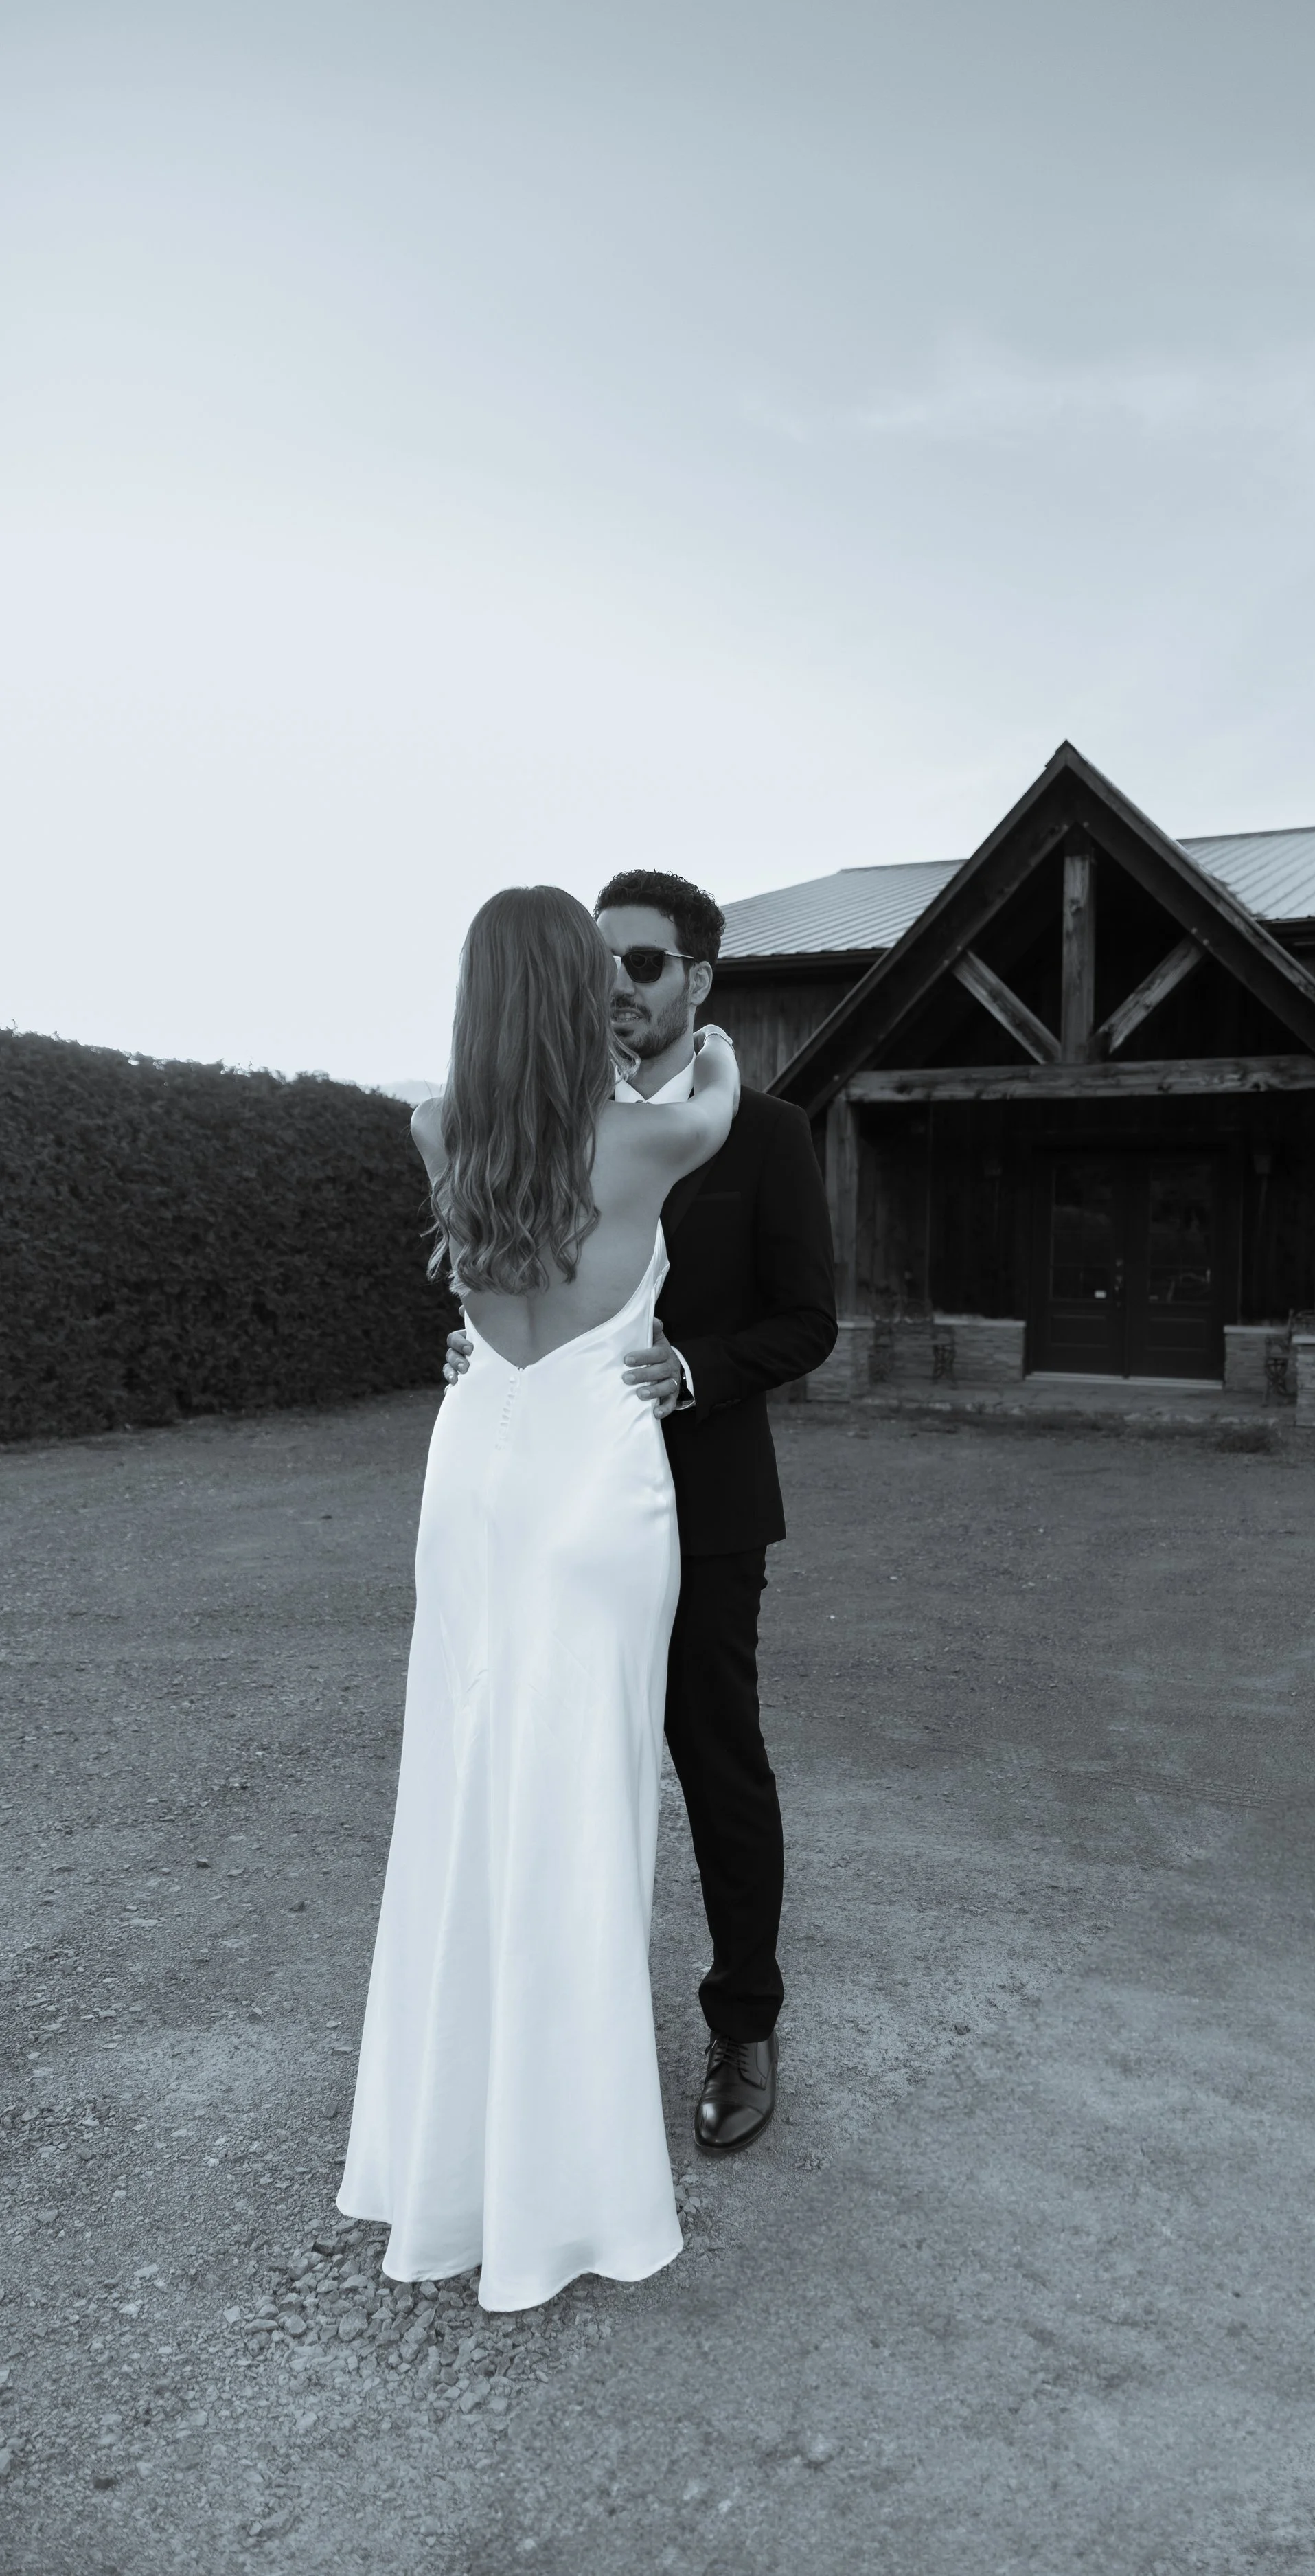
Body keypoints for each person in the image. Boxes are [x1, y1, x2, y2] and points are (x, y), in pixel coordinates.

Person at [337, 885, 740, 2312]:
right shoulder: (645, 1137)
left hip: (474, 1479)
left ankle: (447, 2167)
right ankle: (568, 2187)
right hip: (593, 1492)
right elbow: (716, 1086)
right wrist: (708, 1035)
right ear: (576, 996)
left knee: (460, 1801)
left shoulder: (435, 1130)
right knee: (581, 1812)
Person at [442, 869, 838, 2157]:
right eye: (602, 960)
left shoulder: (764, 1133)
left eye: (647, 963)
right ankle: (551, 2045)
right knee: (549, 1763)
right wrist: (489, 1360)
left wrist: (696, 1370)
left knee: (717, 1764)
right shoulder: (547, 1121)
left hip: (704, 1500)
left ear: (698, 980)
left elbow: (809, 1320)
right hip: (558, 1502)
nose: (619, 984)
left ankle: (745, 2025)